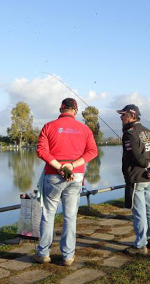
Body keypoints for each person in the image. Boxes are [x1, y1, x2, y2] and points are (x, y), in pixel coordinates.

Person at [34, 98, 98, 266]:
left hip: (53, 175)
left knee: (48, 215)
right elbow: (93, 151)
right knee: (70, 217)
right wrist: (71, 165)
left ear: (61, 109)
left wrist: (59, 166)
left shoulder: (48, 126)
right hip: (75, 176)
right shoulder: (85, 129)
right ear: (75, 111)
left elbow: (41, 150)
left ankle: (43, 253)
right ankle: (68, 256)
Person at [118, 104, 150, 254]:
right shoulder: (149, 132)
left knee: (140, 212)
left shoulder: (130, 133)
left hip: (137, 178)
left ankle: (140, 245)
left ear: (131, 115)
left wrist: (149, 167)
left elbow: (135, 156)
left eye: (123, 115)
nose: (121, 117)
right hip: (149, 179)